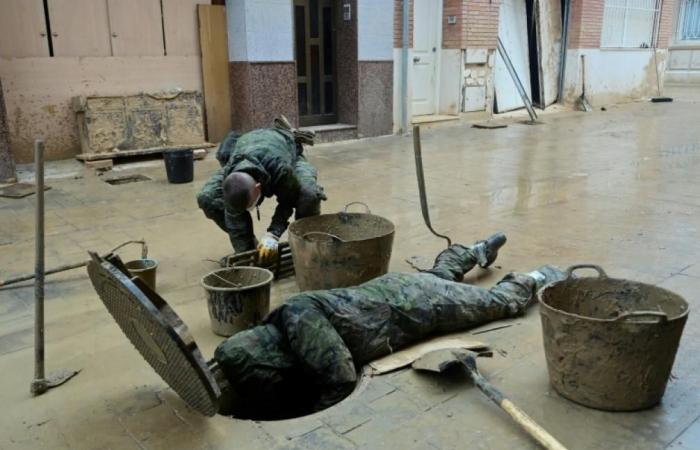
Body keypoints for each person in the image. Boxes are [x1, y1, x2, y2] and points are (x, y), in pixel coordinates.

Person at [212, 232, 566, 419]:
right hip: (398, 293)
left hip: (415, 307)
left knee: (499, 304)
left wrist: (305, 412)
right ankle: (474, 252)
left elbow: (340, 380)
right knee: (438, 279)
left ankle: (542, 275)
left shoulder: (301, 320)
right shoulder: (286, 325)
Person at [196, 117, 326, 263]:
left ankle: (306, 245)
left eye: (249, 204)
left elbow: (288, 201)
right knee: (207, 197)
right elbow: (233, 215)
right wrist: (245, 256)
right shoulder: (231, 169)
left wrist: (273, 234)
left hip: (288, 154)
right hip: (249, 150)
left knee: (309, 194)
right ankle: (250, 248)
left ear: (258, 188)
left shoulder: (281, 169)